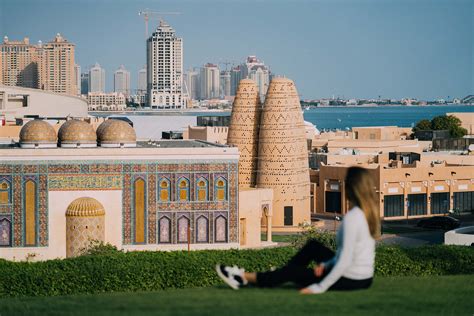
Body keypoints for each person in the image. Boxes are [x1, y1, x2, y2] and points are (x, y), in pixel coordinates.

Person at [216, 166, 380, 294]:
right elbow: (349, 256)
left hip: (351, 279)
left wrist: (319, 287)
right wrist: (326, 265)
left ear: (351, 188)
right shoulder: (366, 214)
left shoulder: (353, 218)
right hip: (364, 277)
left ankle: (243, 277)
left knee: (293, 272)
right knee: (313, 246)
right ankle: (279, 273)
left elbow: (345, 260)